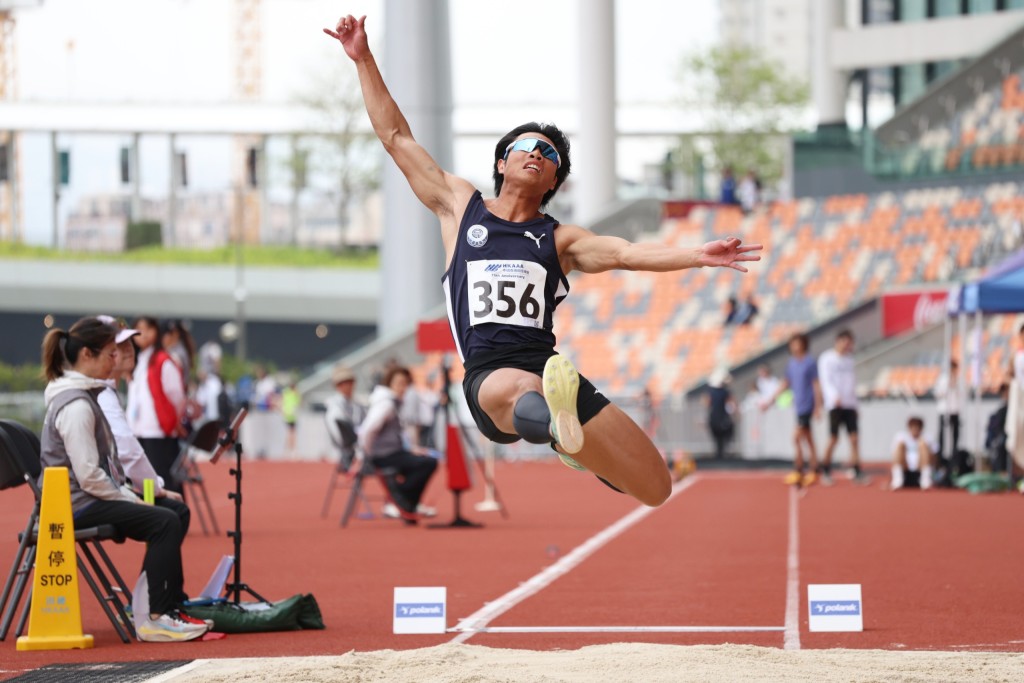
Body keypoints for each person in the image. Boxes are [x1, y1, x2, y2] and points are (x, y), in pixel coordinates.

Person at [323, 15, 761, 507]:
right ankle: (560, 434)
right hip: (490, 377)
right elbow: (396, 138)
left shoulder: (559, 239)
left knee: (656, 485)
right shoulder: (459, 207)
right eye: (525, 146)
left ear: (554, 181)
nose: (536, 153)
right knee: (527, 387)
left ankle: (570, 439)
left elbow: (626, 253)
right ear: (501, 162)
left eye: (548, 153)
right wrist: (363, 59)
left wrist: (697, 254)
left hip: (553, 375)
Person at [39, 317, 208, 642]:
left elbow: (101, 469)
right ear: (87, 354)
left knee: (176, 511)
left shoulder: (85, 394)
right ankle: (156, 618)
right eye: (110, 354)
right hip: (75, 505)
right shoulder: (76, 405)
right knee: (164, 521)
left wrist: (136, 491)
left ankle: (164, 605)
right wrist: (131, 496)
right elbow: (89, 476)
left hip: (86, 497)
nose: (117, 360)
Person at [358, 364, 438, 523]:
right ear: (390, 383)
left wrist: (412, 449)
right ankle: (401, 496)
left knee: (425, 461)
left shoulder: (392, 402)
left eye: (405, 384)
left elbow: (396, 433)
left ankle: (406, 503)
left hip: (392, 452)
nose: (403, 388)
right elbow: (367, 430)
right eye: (399, 383)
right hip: (383, 455)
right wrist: (362, 456)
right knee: (427, 464)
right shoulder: (386, 404)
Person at [127, 316, 187, 495]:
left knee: (164, 481)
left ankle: (174, 520)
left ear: (156, 331)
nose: (143, 334)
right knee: (145, 484)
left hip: (159, 431)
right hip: (138, 430)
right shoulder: (137, 362)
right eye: (138, 329)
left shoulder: (162, 360)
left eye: (148, 329)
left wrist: (170, 420)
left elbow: (176, 395)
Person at [766, 333, 821, 487]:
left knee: (796, 437)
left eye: (797, 343)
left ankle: (799, 469)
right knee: (808, 439)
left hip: (807, 406)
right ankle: (814, 469)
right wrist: (770, 400)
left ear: (803, 344)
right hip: (798, 406)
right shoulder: (791, 363)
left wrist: (818, 406)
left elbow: (816, 385)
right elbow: (785, 383)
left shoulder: (809, 362)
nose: (794, 346)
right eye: (792, 343)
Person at [818, 329, 868, 485]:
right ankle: (825, 469)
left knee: (854, 438)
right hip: (835, 404)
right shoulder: (827, 358)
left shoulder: (849, 360)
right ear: (838, 341)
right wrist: (833, 396)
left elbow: (852, 384)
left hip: (849, 404)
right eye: (845, 342)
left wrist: (855, 405)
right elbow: (825, 380)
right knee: (833, 438)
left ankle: (856, 470)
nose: (848, 346)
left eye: (850, 343)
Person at [324, 364, 365, 471]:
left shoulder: (356, 404)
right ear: (339, 385)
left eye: (351, 382)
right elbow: (339, 436)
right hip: (348, 449)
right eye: (347, 383)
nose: (351, 386)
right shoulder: (334, 407)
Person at [889, 417, 935, 491]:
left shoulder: (927, 438)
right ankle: (897, 480)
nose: (915, 430)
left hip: (919, 471)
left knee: (923, 444)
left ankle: (925, 480)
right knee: (900, 445)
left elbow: (934, 457)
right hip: (905, 470)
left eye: (917, 428)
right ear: (909, 428)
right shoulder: (901, 436)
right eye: (913, 428)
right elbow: (894, 456)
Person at [932, 358, 961, 473]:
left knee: (955, 437)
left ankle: (954, 459)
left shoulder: (959, 379)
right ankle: (940, 460)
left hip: (955, 411)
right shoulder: (943, 379)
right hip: (944, 411)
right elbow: (938, 393)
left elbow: (963, 394)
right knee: (942, 437)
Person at [705, 368, 735, 460]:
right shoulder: (724, 392)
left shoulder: (712, 392)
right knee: (724, 434)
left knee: (718, 438)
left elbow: (708, 403)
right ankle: (722, 453)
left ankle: (719, 453)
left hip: (714, 417)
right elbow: (731, 403)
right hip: (721, 417)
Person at [281, 379, 301, 456]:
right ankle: (290, 449)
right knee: (290, 433)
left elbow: (298, 402)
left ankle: (292, 449)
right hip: (288, 414)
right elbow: (283, 402)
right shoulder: (287, 392)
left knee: (291, 433)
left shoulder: (294, 393)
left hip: (293, 415)